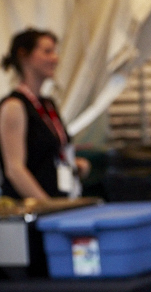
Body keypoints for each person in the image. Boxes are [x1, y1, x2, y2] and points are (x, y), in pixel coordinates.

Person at [1, 28, 88, 200]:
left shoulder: (48, 104)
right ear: (24, 55)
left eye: (54, 52)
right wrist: (47, 206)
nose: (55, 58)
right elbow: (15, 169)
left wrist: (73, 166)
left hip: (59, 200)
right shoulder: (14, 106)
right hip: (34, 212)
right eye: (47, 52)